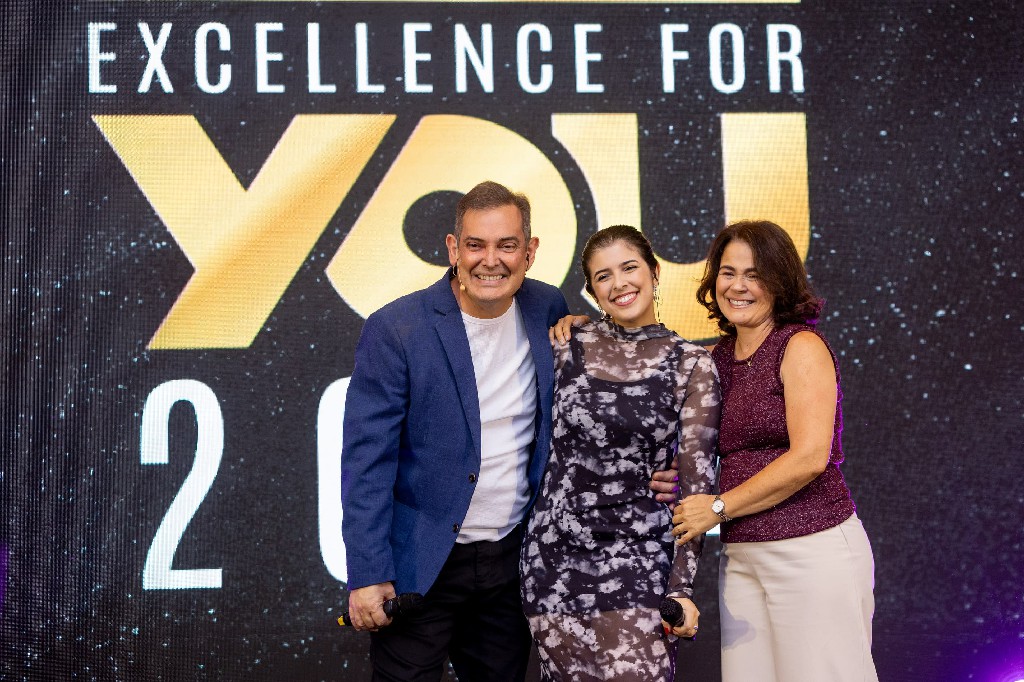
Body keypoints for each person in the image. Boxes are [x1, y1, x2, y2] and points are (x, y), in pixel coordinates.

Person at [340, 183, 678, 680]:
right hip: (421, 564)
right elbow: (366, 462)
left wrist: (656, 470)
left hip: (513, 563)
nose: (490, 260)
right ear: (453, 249)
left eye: (507, 245)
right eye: (475, 245)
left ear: (530, 251)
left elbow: (598, 410)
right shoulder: (397, 328)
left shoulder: (547, 307)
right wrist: (369, 573)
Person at [671, 220, 878, 682]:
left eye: (755, 274)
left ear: (780, 282)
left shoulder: (799, 346)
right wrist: (582, 325)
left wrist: (718, 507)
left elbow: (810, 457)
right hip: (742, 557)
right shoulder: (718, 358)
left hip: (811, 551)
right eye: (728, 272)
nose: (738, 286)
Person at [521, 225, 721, 681]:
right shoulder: (564, 345)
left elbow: (696, 490)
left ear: (654, 272)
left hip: (638, 560)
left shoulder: (691, 364)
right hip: (553, 562)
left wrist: (681, 588)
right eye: (603, 276)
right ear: (592, 290)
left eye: (629, 268)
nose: (619, 284)